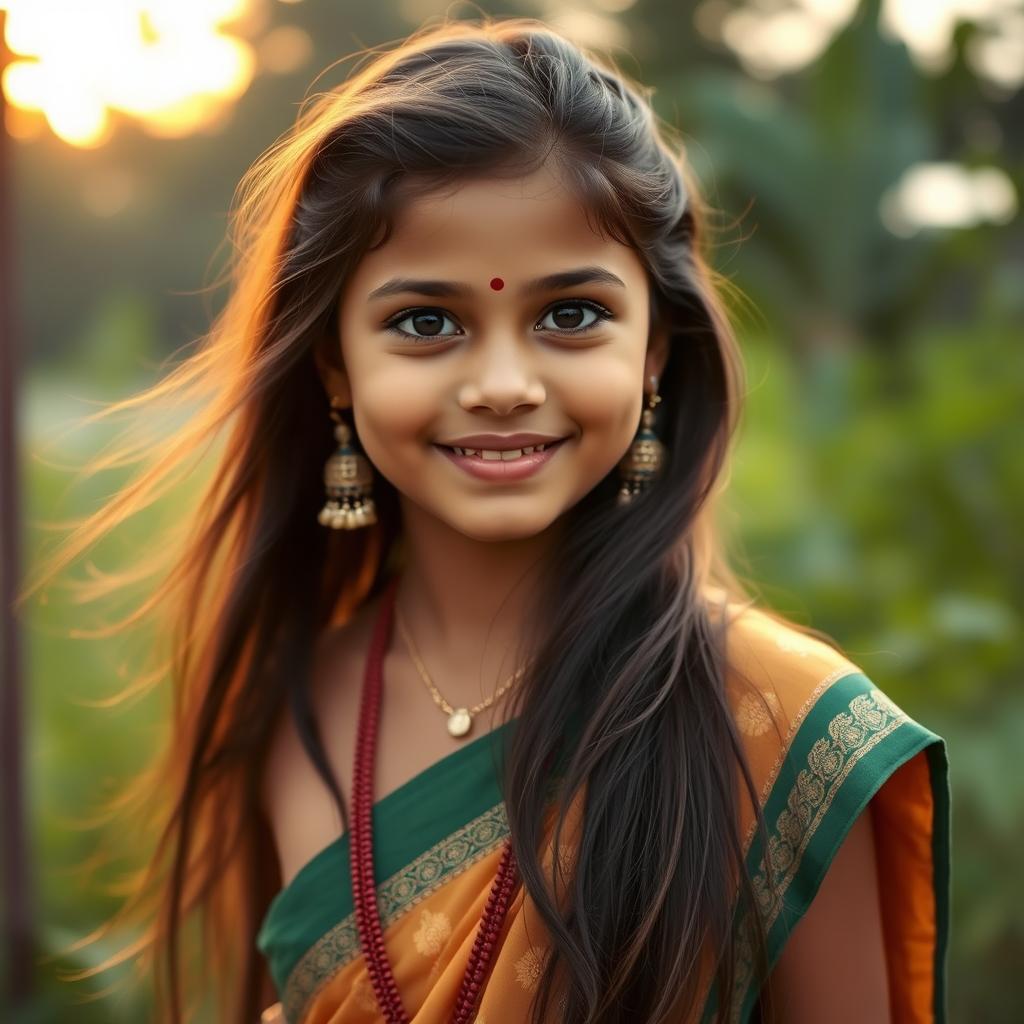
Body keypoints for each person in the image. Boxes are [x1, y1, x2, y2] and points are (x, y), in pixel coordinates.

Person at [21, 15, 950, 1024]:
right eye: (426, 321)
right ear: (335, 361)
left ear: (653, 352)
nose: (503, 384)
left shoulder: (775, 729)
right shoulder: (290, 703)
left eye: (569, 314)